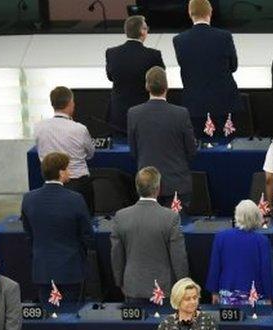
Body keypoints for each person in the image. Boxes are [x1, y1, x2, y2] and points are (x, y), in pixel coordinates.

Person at [21, 152, 94, 307]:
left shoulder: (29, 199)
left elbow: (28, 233)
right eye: (67, 169)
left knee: (48, 321)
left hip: (42, 270)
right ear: (61, 172)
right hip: (71, 270)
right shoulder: (75, 199)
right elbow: (87, 235)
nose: (69, 172)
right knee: (71, 317)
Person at [111, 166, 189, 302]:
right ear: (158, 189)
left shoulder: (121, 216)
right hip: (163, 288)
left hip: (132, 286)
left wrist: (119, 282)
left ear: (137, 188)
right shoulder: (170, 217)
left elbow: (116, 255)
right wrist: (183, 284)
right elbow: (178, 256)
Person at [128, 67, 198, 210]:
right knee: (175, 229)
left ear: (147, 86)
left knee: (149, 230)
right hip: (176, 184)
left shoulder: (134, 113)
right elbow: (191, 150)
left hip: (147, 186)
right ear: (167, 86)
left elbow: (133, 151)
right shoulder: (181, 114)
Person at [172, 0, 240, 134]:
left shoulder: (179, 40)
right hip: (223, 101)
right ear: (210, 12)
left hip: (195, 103)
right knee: (227, 146)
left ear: (190, 13)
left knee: (199, 147)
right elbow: (233, 66)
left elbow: (186, 67)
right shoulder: (224, 36)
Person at [33, 86, 95, 209]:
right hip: (77, 184)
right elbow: (90, 154)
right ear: (70, 103)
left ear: (52, 104)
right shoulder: (80, 129)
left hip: (49, 183)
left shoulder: (38, 127)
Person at [206, 200, 273, 304]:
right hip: (255, 296)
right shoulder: (262, 241)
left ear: (236, 215)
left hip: (227, 295)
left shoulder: (221, 237)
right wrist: (269, 296)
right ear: (256, 217)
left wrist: (214, 292)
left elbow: (215, 267)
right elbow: (266, 271)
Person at [105, 15, 165, 134]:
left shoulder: (112, 53)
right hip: (144, 114)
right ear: (142, 31)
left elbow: (110, 76)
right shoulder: (153, 55)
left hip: (118, 114)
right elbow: (159, 80)